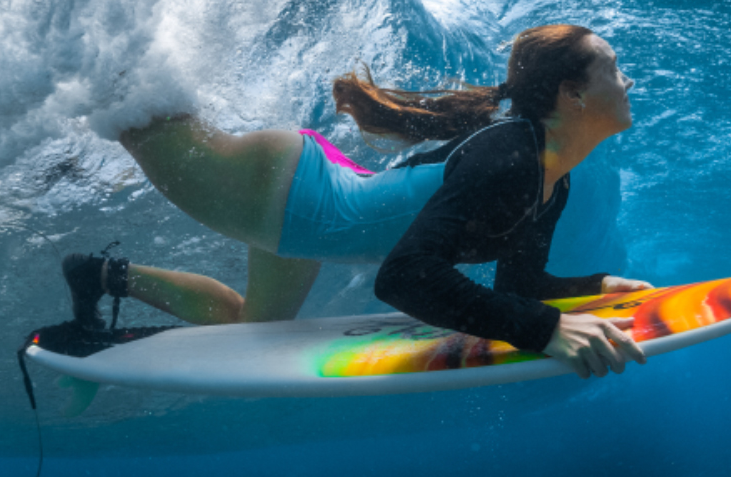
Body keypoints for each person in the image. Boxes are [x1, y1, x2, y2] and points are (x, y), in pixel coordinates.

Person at [59, 24, 651, 378]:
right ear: (572, 94)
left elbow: (516, 286)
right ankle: (78, 29)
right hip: (286, 193)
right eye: (616, 69)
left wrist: (593, 288)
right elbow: (406, 277)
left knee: (251, 328)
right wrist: (544, 329)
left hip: (313, 210)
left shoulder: (552, 177)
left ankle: (100, 274)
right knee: (130, 106)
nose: (628, 82)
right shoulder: (511, 157)